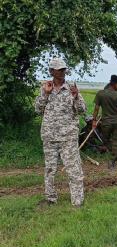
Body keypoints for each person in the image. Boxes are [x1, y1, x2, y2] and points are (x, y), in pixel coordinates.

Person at [34, 58, 86, 208]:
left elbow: (82, 110)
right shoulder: (45, 88)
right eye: (59, 69)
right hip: (49, 136)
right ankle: (50, 199)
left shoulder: (71, 88)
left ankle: (77, 201)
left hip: (68, 137)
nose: (63, 72)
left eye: (64, 69)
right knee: (50, 169)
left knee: (74, 169)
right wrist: (45, 94)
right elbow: (38, 110)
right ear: (51, 71)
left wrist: (76, 96)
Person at [92, 75, 117, 169]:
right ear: (115, 84)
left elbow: (96, 109)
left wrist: (94, 121)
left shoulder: (100, 93)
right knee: (116, 142)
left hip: (106, 123)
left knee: (107, 141)